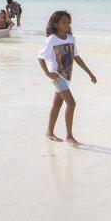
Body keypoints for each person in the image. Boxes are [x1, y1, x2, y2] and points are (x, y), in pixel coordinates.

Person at [37, 10, 96, 147]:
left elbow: (76, 57)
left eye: (68, 22)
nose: (67, 24)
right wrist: (47, 72)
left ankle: (49, 132)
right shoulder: (51, 39)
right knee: (71, 103)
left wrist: (90, 73)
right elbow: (40, 57)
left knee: (57, 104)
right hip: (56, 75)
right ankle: (69, 136)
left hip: (67, 76)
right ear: (56, 24)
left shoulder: (71, 38)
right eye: (64, 22)